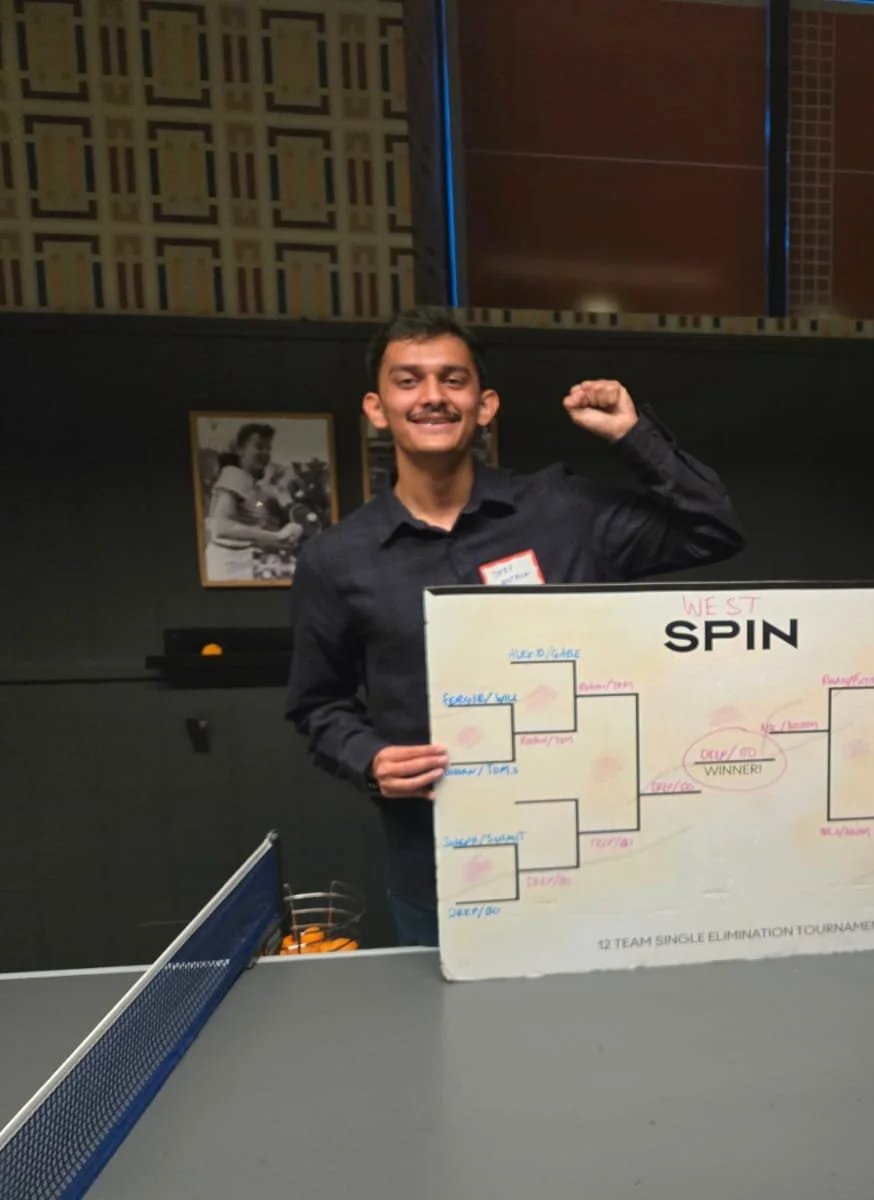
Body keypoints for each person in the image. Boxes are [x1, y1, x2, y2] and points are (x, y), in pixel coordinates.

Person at [284, 307, 746, 946]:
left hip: (605, 861)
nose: (433, 397)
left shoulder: (563, 510)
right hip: (442, 878)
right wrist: (368, 759)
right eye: (408, 381)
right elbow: (318, 704)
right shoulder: (336, 559)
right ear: (376, 407)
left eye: (453, 379)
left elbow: (713, 530)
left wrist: (634, 435)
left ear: (485, 404)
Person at [204, 423, 303, 581]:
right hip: (230, 567)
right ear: (240, 450)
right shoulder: (234, 474)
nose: (265, 453)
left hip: (239, 564)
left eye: (268, 448)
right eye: (259, 446)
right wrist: (277, 537)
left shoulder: (249, 483)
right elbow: (222, 526)